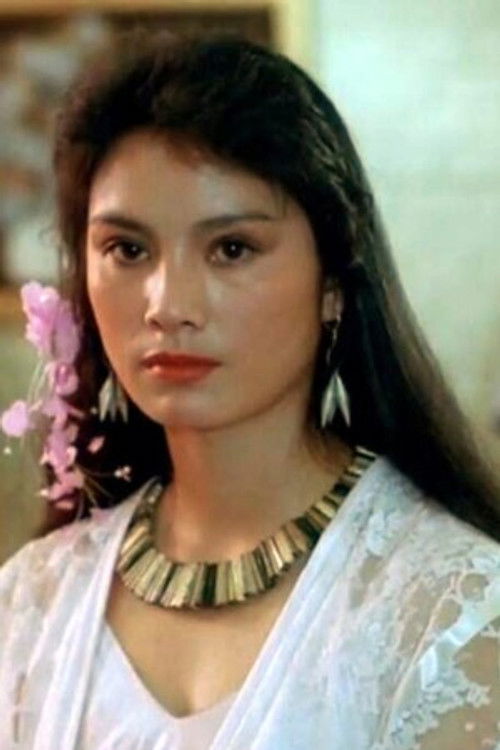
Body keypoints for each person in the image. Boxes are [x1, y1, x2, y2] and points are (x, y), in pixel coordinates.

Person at [1, 29, 500, 750]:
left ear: (333, 282)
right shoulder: (32, 605)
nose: (168, 304)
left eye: (231, 249)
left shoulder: (450, 613)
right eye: (128, 250)